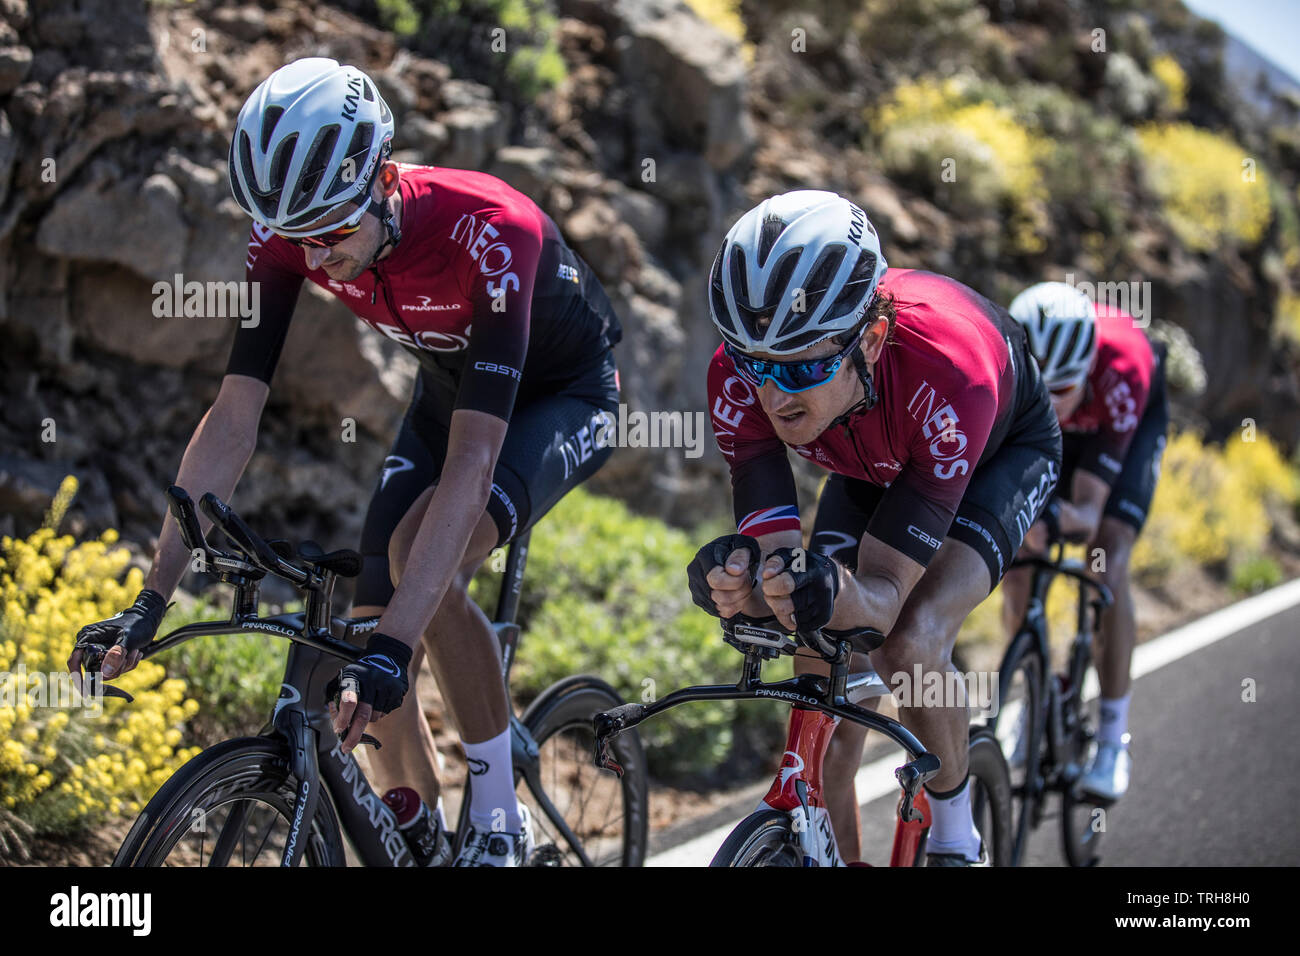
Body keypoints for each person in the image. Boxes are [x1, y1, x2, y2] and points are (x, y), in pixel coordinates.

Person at [68, 57, 623, 866]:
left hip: (561, 396)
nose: (314, 255)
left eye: (330, 231)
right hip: (447, 383)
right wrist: (152, 598)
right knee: (366, 623)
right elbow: (234, 414)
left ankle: (500, 813)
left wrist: (401, 647)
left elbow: (473, 462)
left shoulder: (494, 231)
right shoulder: (294, 233)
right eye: (295, 237)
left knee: (411, 568)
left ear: (384, 179)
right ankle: (420, 822)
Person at [689, 190, 1061, 864]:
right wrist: (744, 585)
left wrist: (840, 596)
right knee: (818, 661)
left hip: (993, 450)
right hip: (874, 454)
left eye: (802, 366)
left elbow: (885, 599)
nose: (773, 395)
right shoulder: (742, 375)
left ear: (872, 336)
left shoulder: (948, 374)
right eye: (753, 364)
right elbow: (781, 570)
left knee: (908, 641)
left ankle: (955, 834)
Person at [1001, 281, 1167, 801]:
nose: (1052, 402)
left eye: (1062, 390)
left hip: (1117, 431)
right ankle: (1034, 698)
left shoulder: (1121, 369)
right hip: (1044, 433)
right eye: (1039, 390)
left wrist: (1054, 516)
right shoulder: (1009, 372)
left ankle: (1114, 738)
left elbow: (1090, 513)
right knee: (1019, 555)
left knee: (1106, 558)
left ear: (1086, 368)